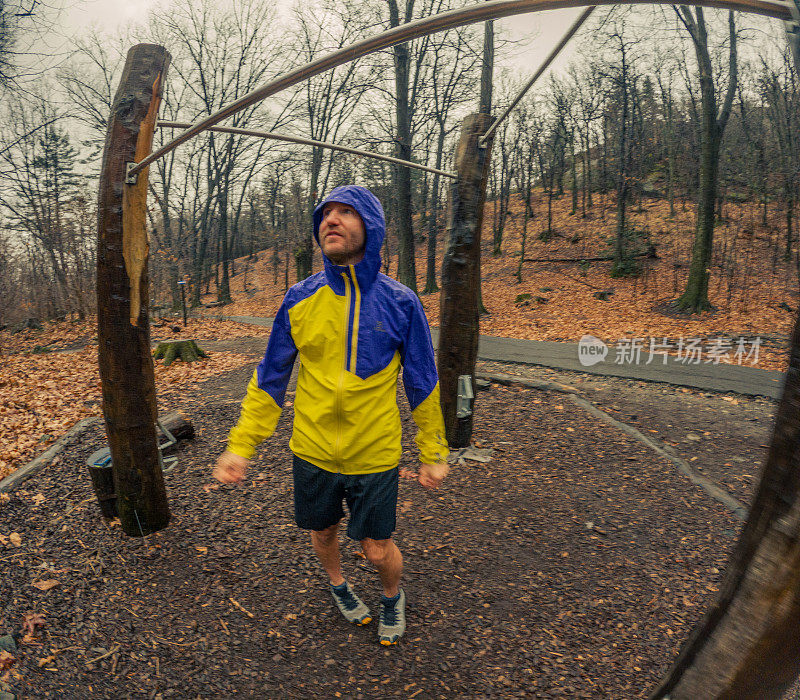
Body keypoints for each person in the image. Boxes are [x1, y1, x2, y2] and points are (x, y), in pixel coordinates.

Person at [213, 184, 449, 646]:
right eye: (325, 214)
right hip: (312, 450)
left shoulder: (402, 302)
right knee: (323, 532)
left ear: (372, 228)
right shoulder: (299, 298)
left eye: (346, 212)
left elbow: (422, 380)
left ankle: (391, 595)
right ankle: (339, 586)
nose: (331, 221)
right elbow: (270, 378)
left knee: (377, 549)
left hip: (374, 452)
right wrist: (241, 446)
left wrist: (433, 450)